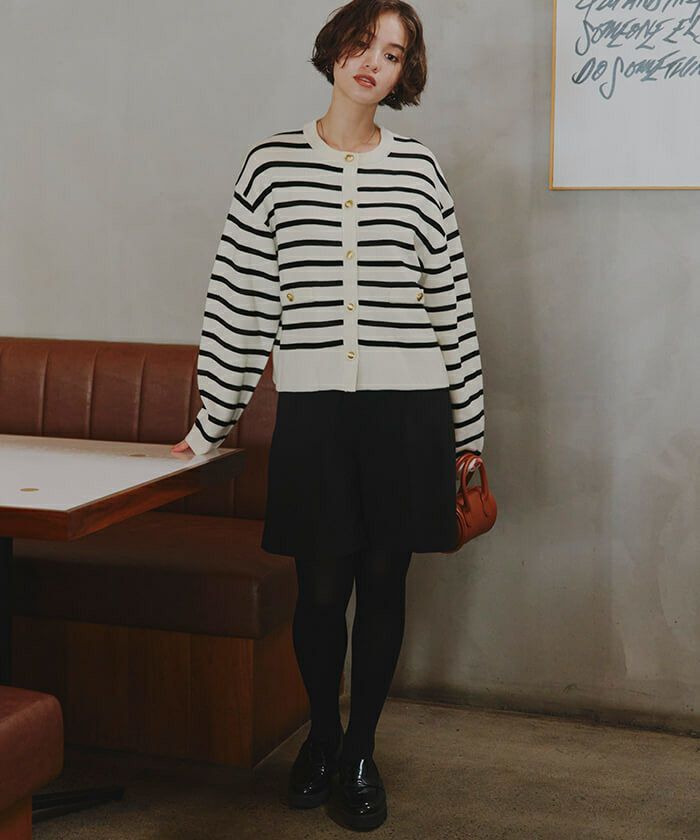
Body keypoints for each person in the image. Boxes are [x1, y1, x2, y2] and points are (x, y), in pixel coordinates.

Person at [172, 0, 486, 830]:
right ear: (336, 49)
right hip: (315, 410)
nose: (373, 61)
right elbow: (238, 301)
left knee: (383, 583)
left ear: (405, 74)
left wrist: (469, 437)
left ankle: (359, 753)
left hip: (408, 411)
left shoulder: (419, 171)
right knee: (318, 590)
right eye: (363, 42)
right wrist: (210, 423)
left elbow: (451, 306)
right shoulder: (270, 166)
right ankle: (322, 731)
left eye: (394, 53)